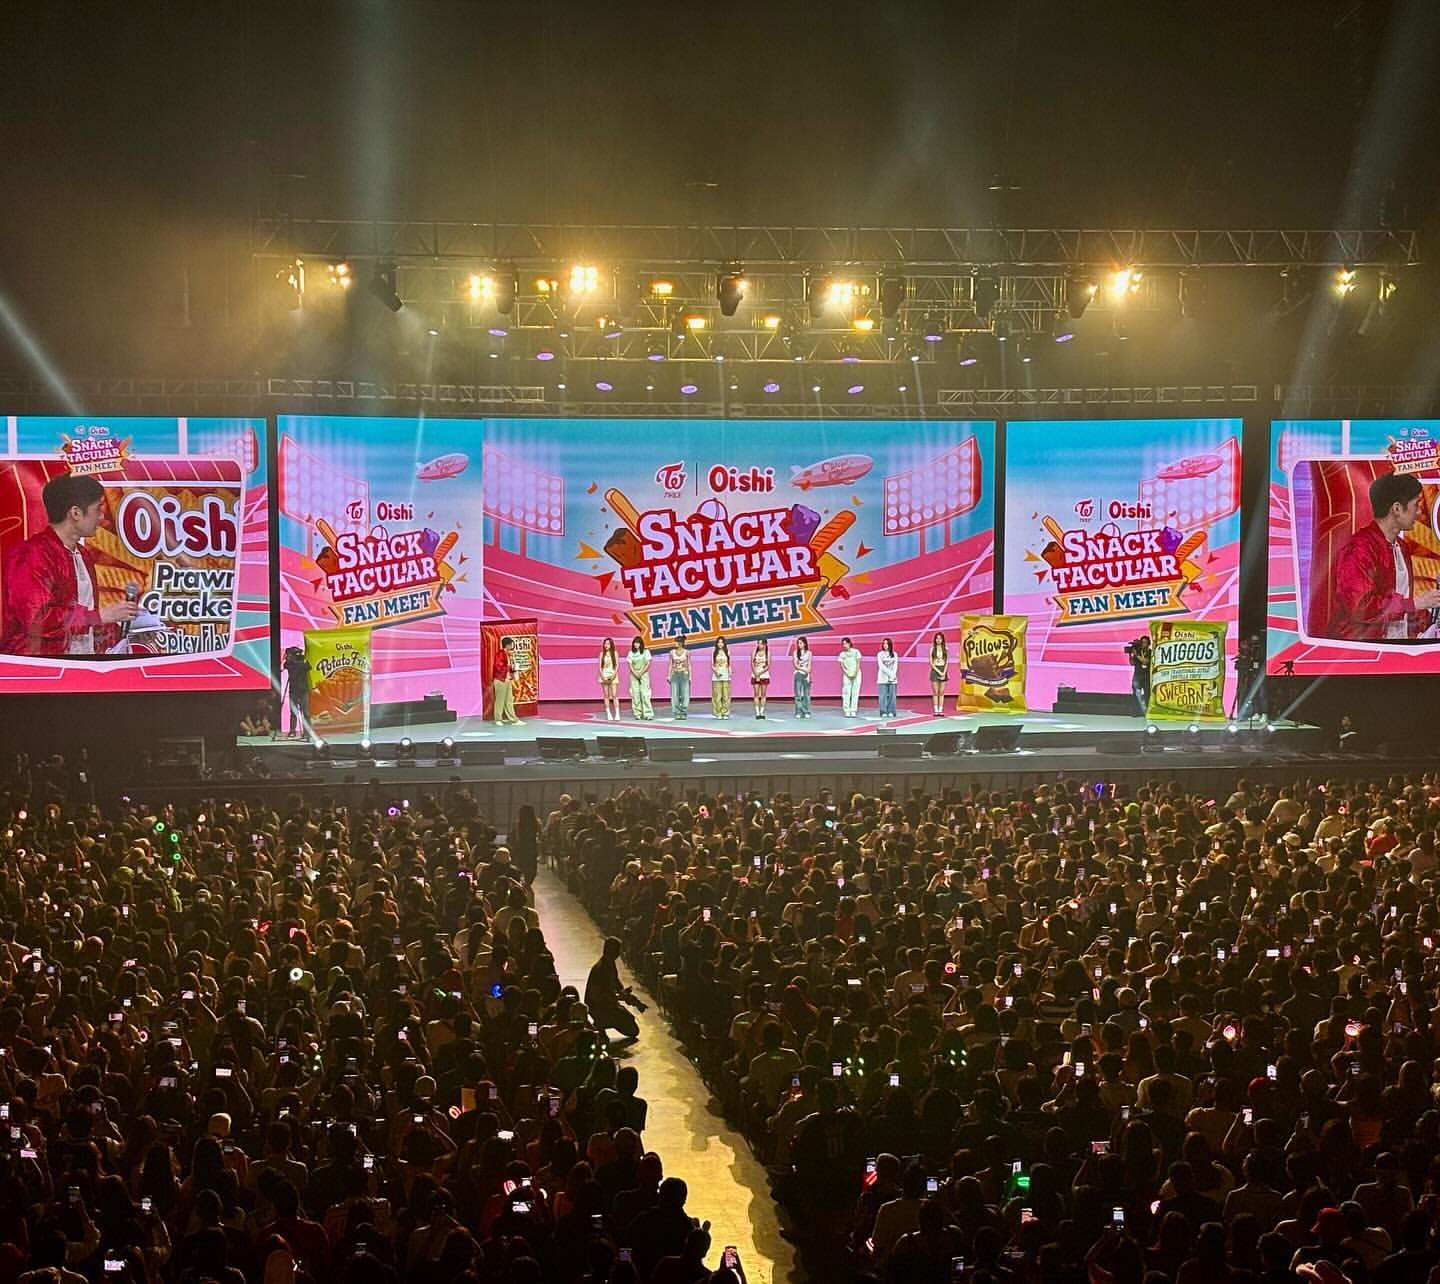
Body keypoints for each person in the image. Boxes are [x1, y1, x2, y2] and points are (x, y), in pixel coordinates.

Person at [0, 472, 138, 655]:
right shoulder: (31, 555)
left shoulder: (82, 554)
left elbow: (87, 618)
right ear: (75, 513)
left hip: (81, 661)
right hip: (38, 665)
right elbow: (36, 620)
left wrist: (127, 630)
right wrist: (100, 616)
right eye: (98, 509)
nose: (102, 517)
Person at [1332, 471, 1440, 641]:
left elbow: (1403, 603)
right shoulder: (1359, 549)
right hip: (1363, 648)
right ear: (1396, 509)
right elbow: (1360, 608)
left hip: (1398, 643)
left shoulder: (1401, 547)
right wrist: (1415, 603)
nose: (1419, 511)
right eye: (1416, 504)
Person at [585, 937, 642, 1043]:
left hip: (610, 1003)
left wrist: (627, 996)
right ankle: (599, 1025)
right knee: (627, 1026)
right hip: (598, 1006)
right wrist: (618, 997)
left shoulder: (610, 964)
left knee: (633, 1029)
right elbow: (595, 996)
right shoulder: (599, 969)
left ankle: (605, 1021)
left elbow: (616, 983)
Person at [281, 645, 312, 739]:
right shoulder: (289, 664)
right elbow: (284, 666)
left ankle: (307, 732)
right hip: (293, 691)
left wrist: (299, 659)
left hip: (303, 691)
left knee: (305, 712)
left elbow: (308, 667)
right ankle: (292, 730)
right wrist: (287, 658)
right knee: (293, 712)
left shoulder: (303, 662)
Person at [491, 636, 522, 726]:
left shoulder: (508, 654)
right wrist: (509, 667)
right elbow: (498, 666)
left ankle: (513, 719)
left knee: (509, 700)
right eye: (511, 644)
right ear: (507, 645)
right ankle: (498, 719)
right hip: (500, 680)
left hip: (507, 680)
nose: (512, 646)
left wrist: (514, 668)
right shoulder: (500, 654)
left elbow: (508, 667)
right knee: (500, 700)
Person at [627, 636, 654, 720]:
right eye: (635, 643)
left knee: (645, 694)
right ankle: (637, 713)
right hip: (633, 674)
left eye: (638, 643)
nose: (636, 644)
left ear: (641, 643)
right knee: (635, 694)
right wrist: (635, 673)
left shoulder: (646, 652)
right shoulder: (631, 653)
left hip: (644, 673)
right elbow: (630, 664)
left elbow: (648, 663)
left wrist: (641, 672)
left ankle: (648, 714)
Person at [667, 633, 691, 720]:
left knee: (685, 694)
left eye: (676, 642)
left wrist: (690, 676)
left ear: (681, 643)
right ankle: (677, 712)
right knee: (675, 694)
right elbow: (670, 664)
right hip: (675, 674)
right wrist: (668, 675)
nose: (675, 643)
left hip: (684, 674)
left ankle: (683, 711)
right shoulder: (672, 652)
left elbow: (689, 664)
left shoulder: (687, 652)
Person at [1127, 634, 1152, 714]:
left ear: (1148, 644)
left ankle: (1147, 711)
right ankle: (1135, 711)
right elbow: (1132, 663)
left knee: (1147, 694)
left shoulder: (1150, 652)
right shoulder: (1137, 652)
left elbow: (1145, 661)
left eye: (1145, 642)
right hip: (1137, 675)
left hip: (1146, 676)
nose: (1143, 644)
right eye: (1142, 642)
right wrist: (1131, 655)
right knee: (1135, 694)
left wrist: (1136, 655)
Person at [838, 636, 861, 716]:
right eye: (843, 644)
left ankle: (853, 710)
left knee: (855, 692)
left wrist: (855, 673)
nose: (844, 645)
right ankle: (846, 710)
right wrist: (847, 673)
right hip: (847, 674)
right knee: (846, 692)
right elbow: (842, 665)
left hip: (856, 674)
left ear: (849, 643)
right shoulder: (842, 654)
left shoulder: (856, 652)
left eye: (846, 643)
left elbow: (858, 663)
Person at [876, 637, 898, 718]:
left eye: (887, 644)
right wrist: (890, 674)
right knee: (883, 696)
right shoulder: (880, 654)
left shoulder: (894, 654)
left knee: (892, 696)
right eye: (884, 643)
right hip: (882, 678)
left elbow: (895, 666)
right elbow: (881, 666)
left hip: (892, 679)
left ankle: (891, 711)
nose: (885, 645)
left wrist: (892, 675)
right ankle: (883, 711)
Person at [599, 637, 620, 720]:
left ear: (611, 645)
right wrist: (603, 677)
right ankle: (608, 713)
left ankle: (617, 713)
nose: (606, 645)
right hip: (604, 676)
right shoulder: (602, 654)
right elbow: (600, 667)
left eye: (608, 644)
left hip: (613, 675)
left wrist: (613, 675)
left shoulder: (615, 653)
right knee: (606, 695)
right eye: (605, 644)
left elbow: (617, 665)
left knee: (614, 695)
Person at [711, 638, 732, 719]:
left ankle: (725, 713)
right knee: (717, 696)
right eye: (719, 642)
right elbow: (712, 665)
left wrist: (730, 671)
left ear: (724, 644)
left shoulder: (727, 652)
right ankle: (718, 713)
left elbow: (729, 664)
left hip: (726, 676)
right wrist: (716, 673)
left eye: (722, 642)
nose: (720, 644)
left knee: (726, 695)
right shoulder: (714, 652)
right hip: (716, 677)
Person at [929, 632, 949, 715]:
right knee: (935, 692)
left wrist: (944, 672)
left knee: (941, 692)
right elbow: (931, 663)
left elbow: (947, 662)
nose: (938, 640)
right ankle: (936, 710)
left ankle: (940, 710)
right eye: (937, 638)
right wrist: (939, 671)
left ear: (942, 640)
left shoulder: (946, 649)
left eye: (940, 638)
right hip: (935, 670)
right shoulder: (932, 649)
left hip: (943, 670)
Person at [793, 636, 813, 718]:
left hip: (806, 674)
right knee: (798, 694)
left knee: (806, 694)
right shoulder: (795, 653)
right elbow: (795, 665)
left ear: (804, 644)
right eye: (798, 643)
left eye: (800, 643)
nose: (799, 644)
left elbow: (810, 664)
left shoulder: (809, 653)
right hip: (798, 673)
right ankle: (798, 712)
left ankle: (806, 711)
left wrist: (808, 672)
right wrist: (803, 670)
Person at [751, 639, 771, 718]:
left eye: (761, 643)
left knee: (763, 694)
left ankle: (762, 712)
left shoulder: (768, 653)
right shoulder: (754, 652)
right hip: (755, 675)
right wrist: (756, 674)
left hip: (764, 675)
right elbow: (752, 664)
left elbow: (768, 665)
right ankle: (757, 712)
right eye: (758, 643)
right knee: (756, 694)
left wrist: (760, 674)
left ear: (765, 644)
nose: (759, 645)